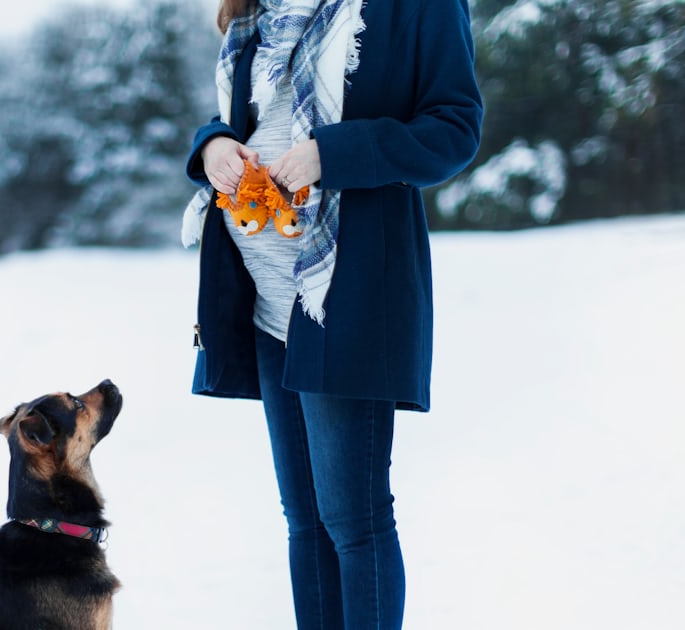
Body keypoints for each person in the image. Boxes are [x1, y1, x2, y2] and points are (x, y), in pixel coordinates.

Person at [181, 0, 482, 628]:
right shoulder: (258, 14)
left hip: (344, 292)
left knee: (354, 520)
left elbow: (455, 130)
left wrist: (332, 154)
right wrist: (211, 146)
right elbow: (246, 117)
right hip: (265, 299)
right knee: (305, 521)